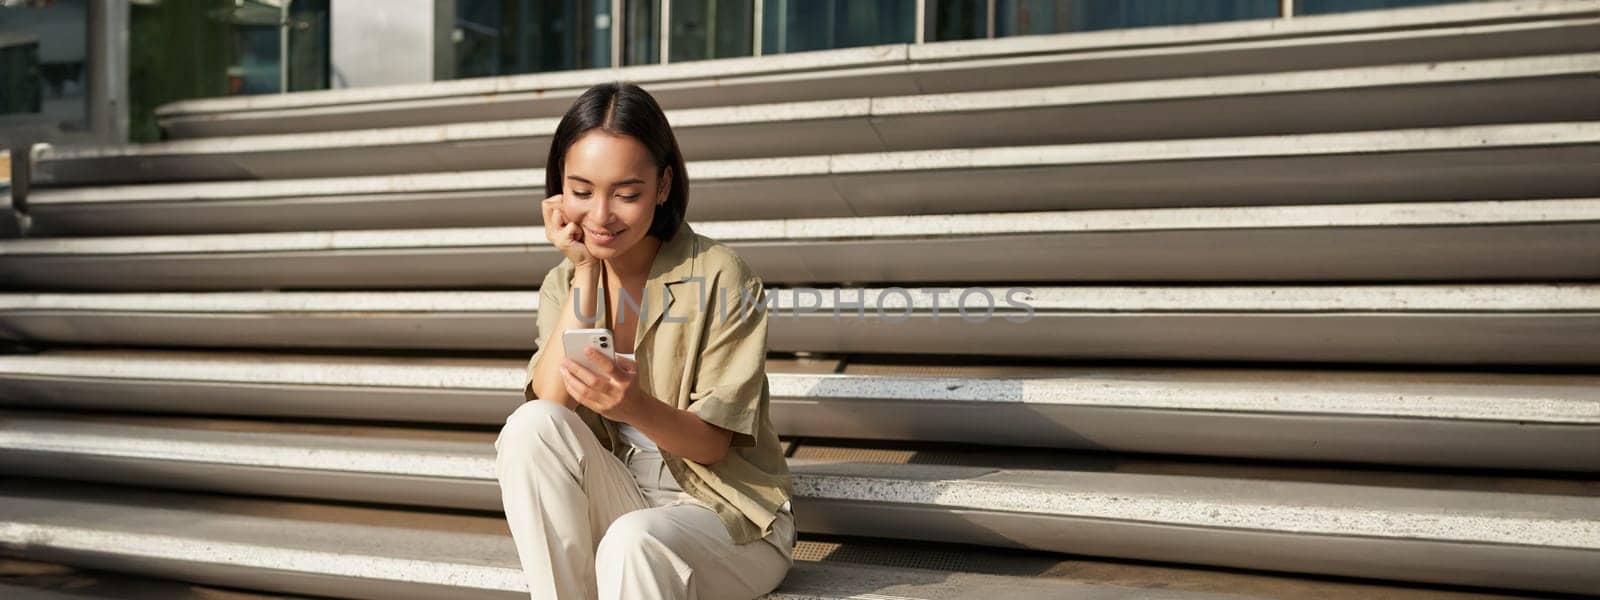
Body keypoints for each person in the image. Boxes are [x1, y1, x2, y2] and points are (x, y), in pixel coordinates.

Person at [494, 82, 795, 600]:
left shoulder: (723, 276)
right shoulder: (562, 284)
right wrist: (586, 269)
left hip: (724, 513)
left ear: (662, 186)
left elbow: (711, 444)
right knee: (530, 427)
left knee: (633, 543)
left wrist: (631, 405)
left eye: (626, 194)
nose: (601, 215)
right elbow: (551, 404)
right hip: (624, 496)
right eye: (582, 191)